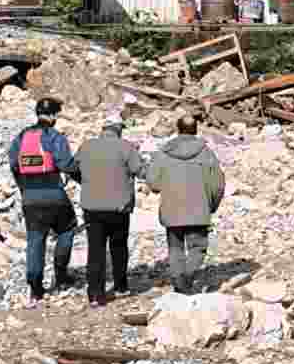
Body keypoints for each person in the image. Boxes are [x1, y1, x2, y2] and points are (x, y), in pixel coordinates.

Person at [8, 97, 81, 301]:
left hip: (29, 196)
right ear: (54, 115)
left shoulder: (21, 137)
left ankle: (35, 287)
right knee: (66, 229)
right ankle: (61, 274)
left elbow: (14, 164)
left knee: (35, 238)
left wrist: (24, 188)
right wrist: (84, 180)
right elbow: (67, 165)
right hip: (53, 193)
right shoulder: (54, 137)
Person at [146, 114, 225, 295]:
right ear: (196, 130)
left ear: (178, 129)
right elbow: (218, 184)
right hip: (199, 210)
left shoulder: (164, 152)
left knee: (175, 248)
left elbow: (153, 183)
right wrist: (211, 205)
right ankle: (187, 277)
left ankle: (178, 279)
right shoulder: (206, 153)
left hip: (171, 210)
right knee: (197, 248)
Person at [75, 113, 146, 308]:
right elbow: (141, 171)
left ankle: (95, 294)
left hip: (92, 207)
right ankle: (121, 286)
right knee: (118, 247)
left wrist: (86, 183)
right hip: (119, 208)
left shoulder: (87, 146)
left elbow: (74, 168)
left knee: (95, 250)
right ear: (118, 129)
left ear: (103, 128)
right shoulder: (126, 147)